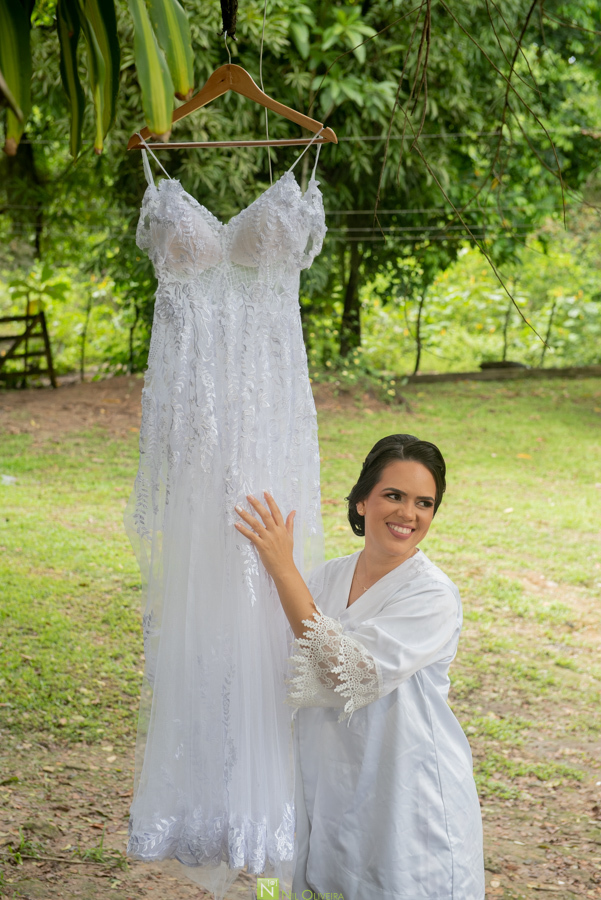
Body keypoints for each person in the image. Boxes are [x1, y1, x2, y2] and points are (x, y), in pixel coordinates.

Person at [234, 433, 485, 900]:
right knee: (292, 884)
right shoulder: (327, 578)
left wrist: (282, 568)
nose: (408, 514)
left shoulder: (432, 595)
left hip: (405, 794)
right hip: (328, 784)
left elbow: (343, 673)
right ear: (361, 501)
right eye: (394, 495)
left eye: (424, 503)